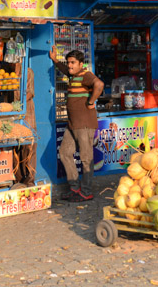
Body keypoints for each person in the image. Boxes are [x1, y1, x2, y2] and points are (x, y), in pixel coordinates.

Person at [49, 47, 104, 202]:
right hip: (73, 124)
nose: (70, 66)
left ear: (81, 64)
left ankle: (86, 192)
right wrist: (55, 60)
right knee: (65, 152)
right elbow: (65, 70)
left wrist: (91, 102)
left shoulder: (86, 75)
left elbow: (99, 84)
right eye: (69, 63)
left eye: (73, 63)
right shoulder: (74, 76)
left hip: (84, 125)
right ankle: (75, 188)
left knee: (86, 159)